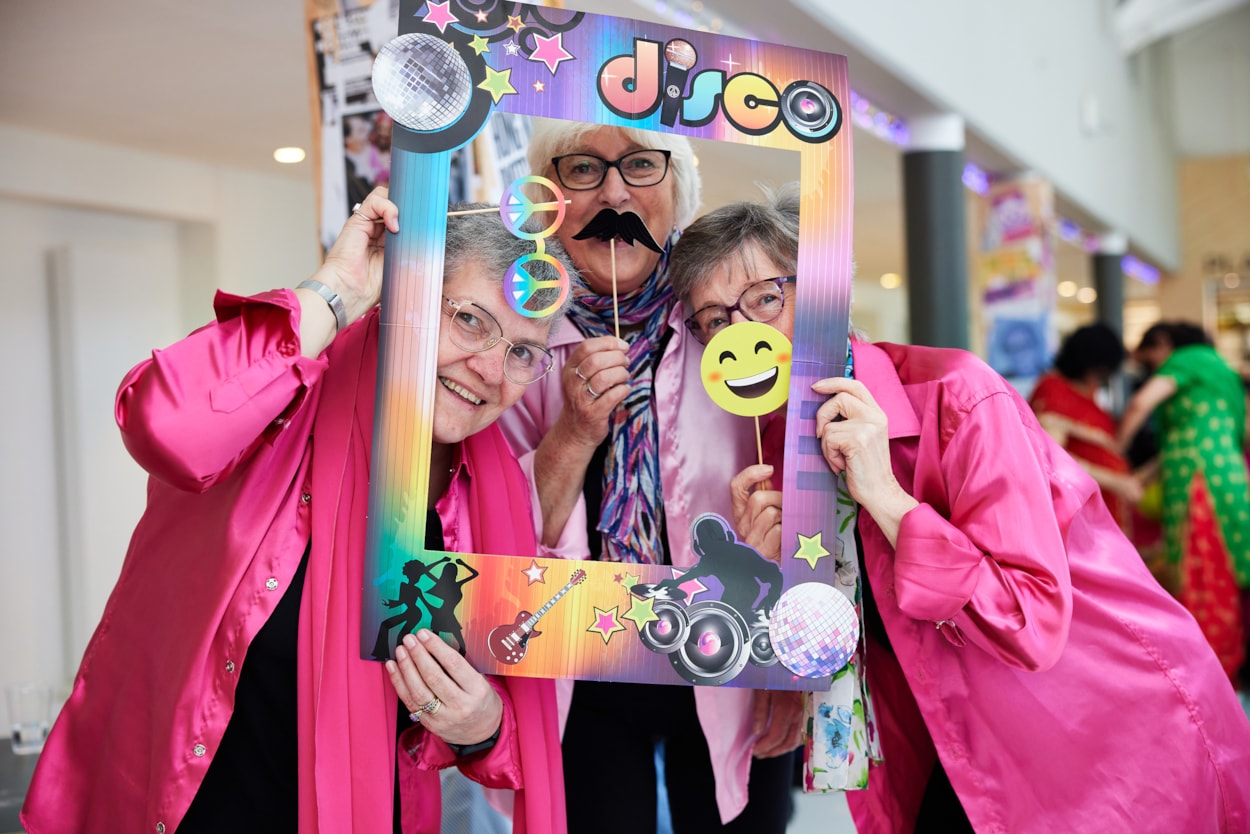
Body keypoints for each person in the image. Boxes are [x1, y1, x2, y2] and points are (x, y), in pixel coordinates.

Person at [669, 191, 1250, 833]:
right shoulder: (772, 444)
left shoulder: (959, 396)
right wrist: (768, 572)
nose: (741, 334)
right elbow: (843, 628)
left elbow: (1028, 617)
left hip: (1099, 726)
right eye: (715, 320)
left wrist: (887, 497)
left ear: (826, 293)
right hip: (942, 733)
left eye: (765, 299)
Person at [21, 188, 574, 834]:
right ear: (411, 303)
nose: (488, 369)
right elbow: (163, 424)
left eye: (523, 352)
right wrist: (337, 290)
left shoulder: (493, 497)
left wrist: (482, 728)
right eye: (470, 320)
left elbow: (508, 725)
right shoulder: (284, 402)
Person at [497, 120, 801, 833]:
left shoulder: (735, 324)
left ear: (679, 194)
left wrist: (796, 669)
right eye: (581, 171)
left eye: (640, 166)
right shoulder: (512, 340)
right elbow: (496, 534)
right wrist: (572, 433)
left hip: (739, 652)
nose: (612, 192)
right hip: (578, 660)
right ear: (549, 205)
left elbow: (811, 492)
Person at [1118, 320, 1250, 685]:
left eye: (1150, 359)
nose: (1154, 368)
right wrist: (1140, 476)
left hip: (1198, 480)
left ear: (1163, 344)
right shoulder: (1221, 370)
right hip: (1226, 475)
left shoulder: (1188, 359)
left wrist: (1115, 448)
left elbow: (1140, 403)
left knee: (1200, 572)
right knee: (1218, 569)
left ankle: (1208, 673)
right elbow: (1188, 435)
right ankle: (1224, 665)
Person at [1027, 324, 1142, 531]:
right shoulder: (1053, 391)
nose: (1101, 378)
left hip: (1105, 500)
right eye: (1100, 371)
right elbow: (1053, 457)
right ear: (1086, 363)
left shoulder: (1086, 388)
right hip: (1080, 504)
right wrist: (1115, 482)